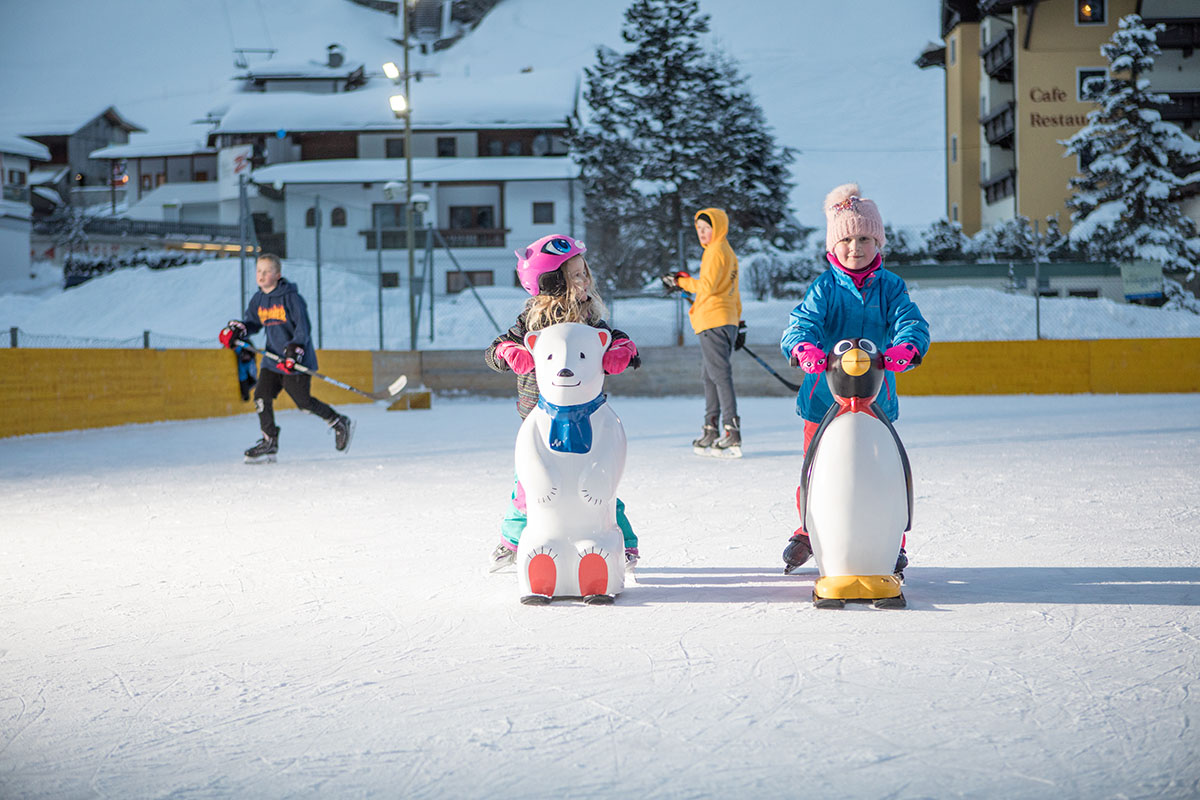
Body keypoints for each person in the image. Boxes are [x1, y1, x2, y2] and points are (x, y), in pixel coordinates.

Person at [779, 183, 930, 574]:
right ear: (834, 245)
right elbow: (801, 324)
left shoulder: (891, 286)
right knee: (816, 469)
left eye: (865, 237)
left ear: (878, 242)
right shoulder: (824, 287)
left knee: (885, 471)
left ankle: (892, 540)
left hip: (875, 398)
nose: (855, 247)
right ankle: (810, 530)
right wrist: (804, 349)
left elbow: (910, 321)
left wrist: (906, 348)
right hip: (822, 399)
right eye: (846, 238)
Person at [484, 234, 642, 572]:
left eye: (585, 273)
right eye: (577, 274)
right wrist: (507, 352)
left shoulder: (588, 319)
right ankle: (512, 541)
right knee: (527, 484)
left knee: (598, 482)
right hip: (538, 420)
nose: (586, 280)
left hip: (587, 418)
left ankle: (624, 541)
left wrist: (623, 350)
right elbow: (494, 349)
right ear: (553, 281)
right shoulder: (529, 322)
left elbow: (616, 337)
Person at [219, 253, 353, 463]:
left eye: (267, 272)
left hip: (295, 361)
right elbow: (253, 322)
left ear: (278, 274)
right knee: (261, 397)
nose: (261, 276)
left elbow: (303, 329)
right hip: (273, 361)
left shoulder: (291, 298)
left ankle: (338, 421)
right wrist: (240, 330)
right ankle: (269, 441)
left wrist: (295, 350)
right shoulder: (258, 299)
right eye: (258, 271)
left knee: (303, 402)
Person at [662, 208, 744, 456]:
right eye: (699, 229)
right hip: (725, 319)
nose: (702, 233)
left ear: (717, 228)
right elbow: (732, 290)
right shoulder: (727, 251)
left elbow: (706, 287)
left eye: (706, 228)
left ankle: (731, 430)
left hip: (713, 321)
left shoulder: (715, 251)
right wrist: (739, 323)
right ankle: (711, 428)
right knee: (710, 376)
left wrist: (680, 281)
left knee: (719, 375)